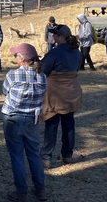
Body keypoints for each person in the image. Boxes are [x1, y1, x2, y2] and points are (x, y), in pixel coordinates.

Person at [2, 43, 48, 202]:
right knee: (34, 154)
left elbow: (5, 91)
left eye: (16, 55)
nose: (14, 58)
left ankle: (21, 192)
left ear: (22, 59)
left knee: (17, 156)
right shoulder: (42, 76)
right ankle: (40, 189)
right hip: (32, 120)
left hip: (13, 118)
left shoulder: (13, 75)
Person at [39, 25, 83, 169]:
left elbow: (42, 71)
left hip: (56, 95)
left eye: (55, 35)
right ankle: (67, 155)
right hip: (72, 93)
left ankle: (46, 157)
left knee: (51, 125)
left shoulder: (54, 53)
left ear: (61, 37)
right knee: (69, 123)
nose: (53, 37)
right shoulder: (76, 52)